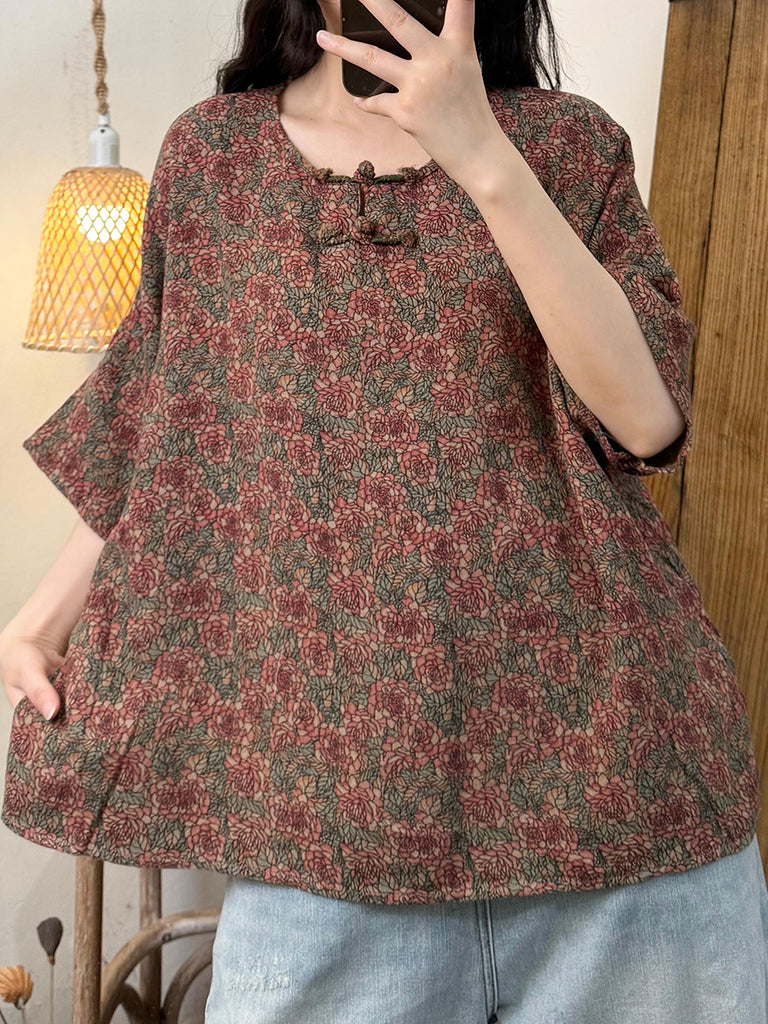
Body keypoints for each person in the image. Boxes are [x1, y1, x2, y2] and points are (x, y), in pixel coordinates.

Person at [2, 0, 766, 1020]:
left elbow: (647, 420)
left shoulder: (567, 147)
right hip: (328, 836)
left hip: (624, 816)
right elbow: (174, 419)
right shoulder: (213, 161)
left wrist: (480, 152)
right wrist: (44, 616)